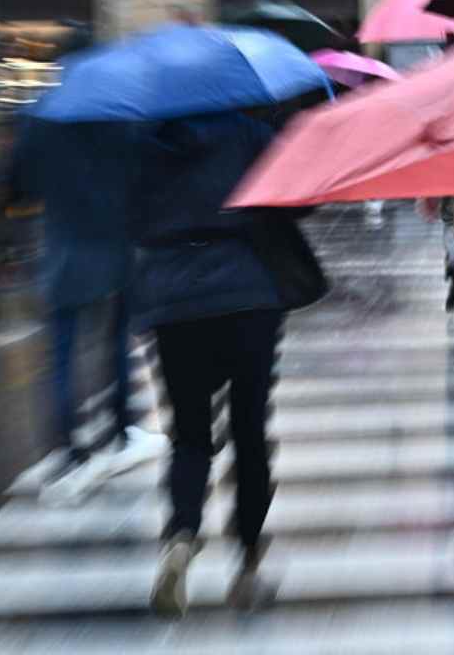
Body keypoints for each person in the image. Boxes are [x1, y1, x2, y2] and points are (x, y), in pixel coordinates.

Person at [131, 109, 325, 618]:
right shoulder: (249, 132)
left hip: (172, 300)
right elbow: (299, 201)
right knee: (250, 429)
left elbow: (124, 215)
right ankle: (248, 563)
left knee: (190, 433)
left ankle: (180, 535)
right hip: (248, 293)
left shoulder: (149, 138)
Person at [1, 119, 165, 506]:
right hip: (115, 254)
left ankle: (69, 448)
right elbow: (146, 182)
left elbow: (15, 185)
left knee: (61, 358)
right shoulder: (121, 121)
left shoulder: (39, 120)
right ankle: (122, 431)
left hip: (61, 256)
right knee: (116, 347)